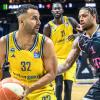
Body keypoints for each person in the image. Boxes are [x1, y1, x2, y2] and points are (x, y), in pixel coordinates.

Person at [0, 4, 58, 100]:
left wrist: (30, 88)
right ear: (21, 21)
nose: (39, 22)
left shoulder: (46, 43)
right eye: (34, 18)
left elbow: (52, 73)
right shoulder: (4, 42)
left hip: (41, 91)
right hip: (16, 89)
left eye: (39, 18)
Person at [58, 6, 100, 100]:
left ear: (94, 16)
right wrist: (46, 72)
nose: (81, 18)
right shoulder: (79, 41)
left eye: (84, 16)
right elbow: (66, 64)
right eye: (80, 16)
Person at [43, 2, 81, 100]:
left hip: (70, 59)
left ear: (62, 10)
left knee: (68, 87)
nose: (57, 10)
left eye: (59, 8)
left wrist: (76, 35)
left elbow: (84, 33)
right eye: (55, 9)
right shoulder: (48, 26)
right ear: (52, 11)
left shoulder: (70, 21)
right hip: (56, 60)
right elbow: (44, 46)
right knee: (59, 86)